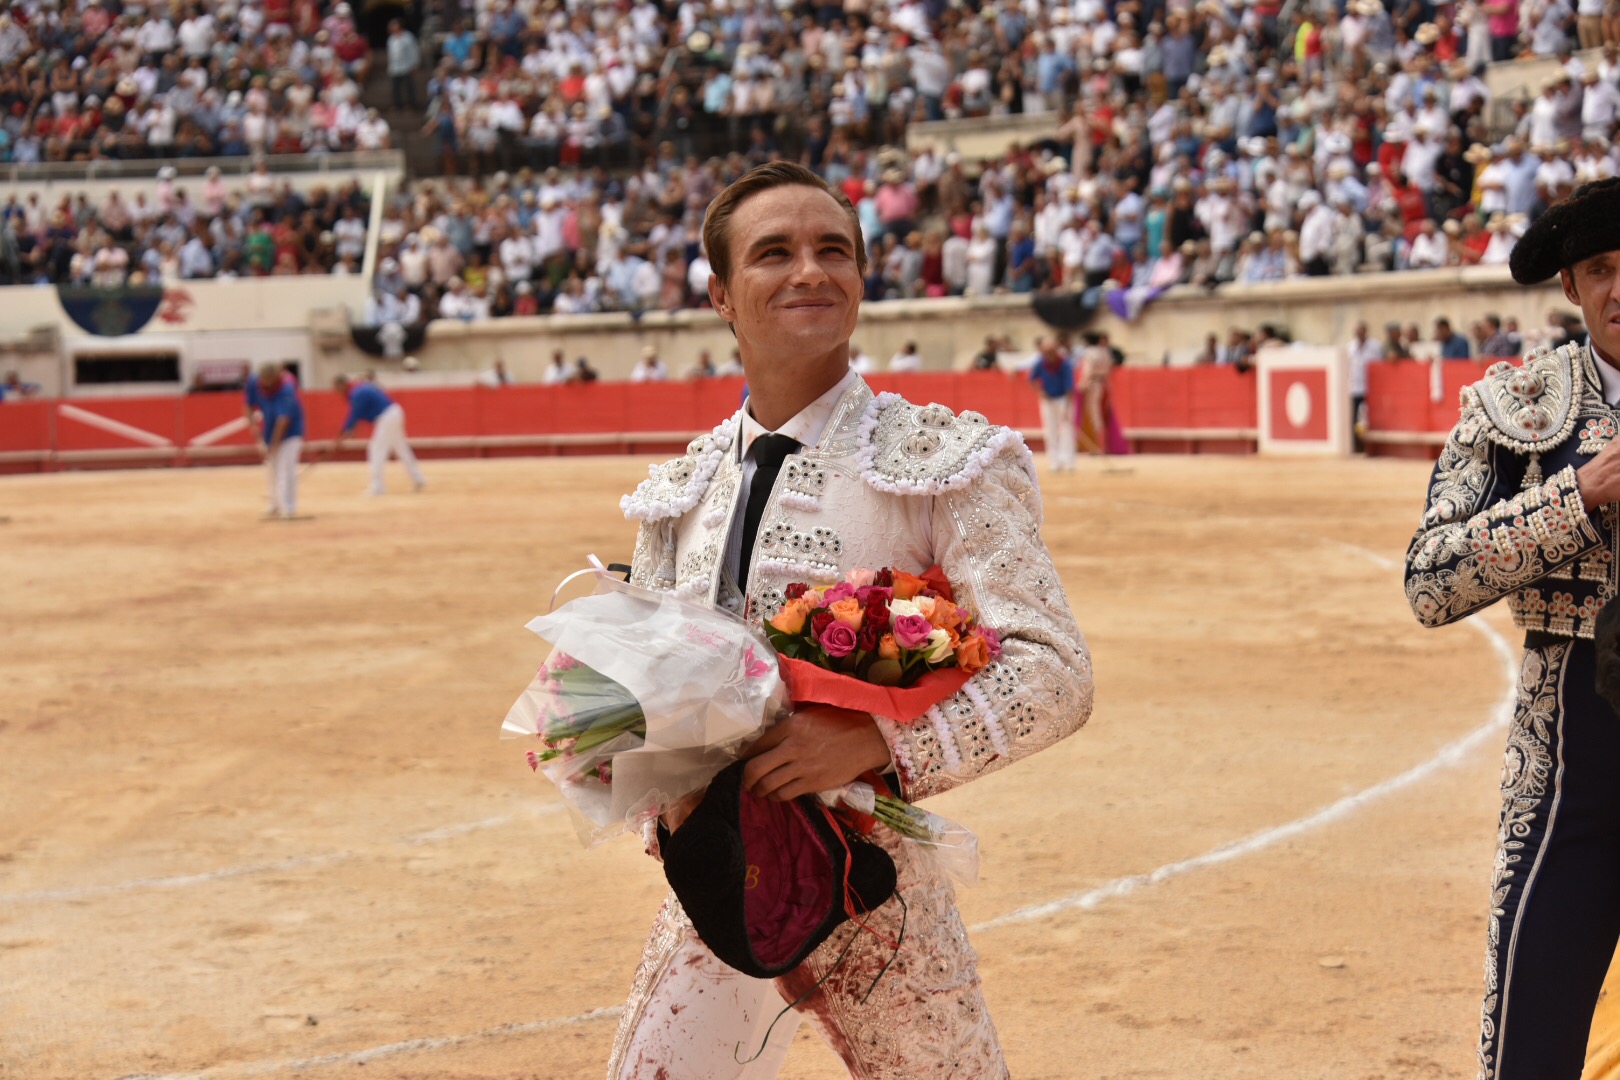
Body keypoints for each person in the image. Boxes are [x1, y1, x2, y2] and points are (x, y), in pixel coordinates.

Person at [609, 161, 1093, 1077]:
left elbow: (1052, 668)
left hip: (879, 891)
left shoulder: (946, 459)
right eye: (775, 253)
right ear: (720, 294)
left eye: (834, 250)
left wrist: (876, 739)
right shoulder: (681, 490)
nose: (810, 271)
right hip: (720, 879)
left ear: (861, 283)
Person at [1404, 175, 1620, 1080]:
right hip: (1577, 745)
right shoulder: (1519, 407)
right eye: (1604, 268)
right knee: (1537, 1034)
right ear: (1569, 286)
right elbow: (1430, 581)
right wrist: (1578, 494)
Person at [329, 374, 425, 496]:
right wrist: (345, 433)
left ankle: (378, 486)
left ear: (341, 385)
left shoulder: (356, 393)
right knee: (401, 448)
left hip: (386, 417)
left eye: (336, 388)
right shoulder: (358, 389)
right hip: (394, 412)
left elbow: (353, 416)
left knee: (376, 449)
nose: (336, 391)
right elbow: (355, 417)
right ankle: (418, 478)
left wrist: (341, 436)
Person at [244, 362, 304, 520]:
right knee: (272, 470)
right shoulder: (254, 382)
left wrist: (272, 446)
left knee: (286, 470)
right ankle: (274, 505)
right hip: (269, 431)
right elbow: (249, 405)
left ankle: (288, 508)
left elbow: (283, 422)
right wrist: (255, 429)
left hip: (291, 434)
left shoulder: (287, 389)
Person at [1027, 336, 1076, 472]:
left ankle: (1068, 461)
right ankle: (1054, 461)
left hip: (1063, 399)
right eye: (1046, 351)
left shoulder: (1064, 364)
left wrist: (1067, 408)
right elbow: (1032, 380)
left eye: (1051, 350)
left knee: (1066, 429)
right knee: (1050, 430)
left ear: (1055, 350)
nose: (1048, 354)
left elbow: (1070, 388)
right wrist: (1040, 392)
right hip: (1047, 400)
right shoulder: (1040, 363)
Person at [1345, 321, 1385, 453]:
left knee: (1370, 418)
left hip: (1371, 389)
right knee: (1355, 419)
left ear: (1366, 331)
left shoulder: (1375, 346)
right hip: (1355, 388)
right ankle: (1357, 444)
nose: (1359, 333)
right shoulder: (1350, 348)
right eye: (1357, 331)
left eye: (1361, 330)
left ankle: (1370, 446)